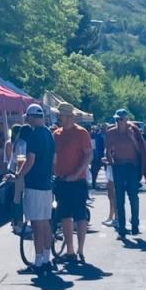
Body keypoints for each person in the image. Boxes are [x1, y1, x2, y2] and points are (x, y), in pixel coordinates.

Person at [17, 104, 55, 273]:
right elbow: (53, 160)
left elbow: (30, 160)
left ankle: (39, 262)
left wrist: (18, 175)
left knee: (37, 225)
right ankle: (47, 258)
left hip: (35, 185)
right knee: (45, 223)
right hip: (47, 184)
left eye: (28, 117)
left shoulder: (33, 135)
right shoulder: (49, 134)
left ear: (32, 117)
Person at [53, 103, 93, 264]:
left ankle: (80, 249)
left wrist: (76, 173)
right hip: (61, 180)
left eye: (61, 115)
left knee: (80, 215)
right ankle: (70, 251)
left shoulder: (81, 133)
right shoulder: (56, 134)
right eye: (59, 114)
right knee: (64, 215)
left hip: (77, 181)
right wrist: (53, 171)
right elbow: (54, 156)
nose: (58, 117)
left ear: (69, 116)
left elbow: (88, 156)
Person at [106, 109, 146, 238]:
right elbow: (108, 150)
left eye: (120, 119)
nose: (118, 122)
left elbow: (140, 150)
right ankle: (121, 227)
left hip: (132, 166)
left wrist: (132, 139)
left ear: (126, 120)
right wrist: (111, 162)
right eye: (116, 119)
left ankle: (135, 224)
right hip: (118, 166)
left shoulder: (133, 130)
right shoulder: (111, 132)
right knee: (119, 198)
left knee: (133, 196)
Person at [6, 124, 31, 234]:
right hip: (18, 172)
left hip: (15, 170)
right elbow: (21, 160)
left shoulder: (18, 142)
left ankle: (17, 222)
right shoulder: (22, 143)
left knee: (17, 198)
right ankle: (19, 224)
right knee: (19, 198)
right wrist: (19, 174)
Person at [90, 125, 106, 189]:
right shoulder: (96, 136)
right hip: (98, 156)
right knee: (95, 172)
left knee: (108, 171)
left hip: (103, 156)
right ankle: (94, 184)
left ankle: (111, 183)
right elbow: (94, 147)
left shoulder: (104, 136)